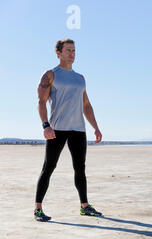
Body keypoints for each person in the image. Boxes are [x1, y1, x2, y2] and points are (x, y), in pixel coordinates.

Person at [34, 38, 103, 222]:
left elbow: (86, 104)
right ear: (59, 53)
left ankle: (85, 206)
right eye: (68, 50)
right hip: (57, 129)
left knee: (80, 168)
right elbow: (41, 101)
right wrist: (45, 125)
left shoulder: (80, 78)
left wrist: (95, 127)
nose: (72, 54)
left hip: (78, 129)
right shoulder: (51, 74)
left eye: (74, 50)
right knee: (49, 167)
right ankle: (38, 209)